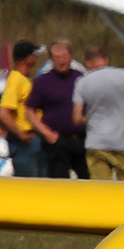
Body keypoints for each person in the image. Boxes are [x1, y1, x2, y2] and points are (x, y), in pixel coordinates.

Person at [73, 46, 124, 182]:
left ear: (88, 63)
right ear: (106, 60)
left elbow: (76, 118)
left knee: (101, 189)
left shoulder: (82, 83)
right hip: (122, 142)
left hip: (96, 143)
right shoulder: (123, 75)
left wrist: (92, 119)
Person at [27, 39, 88, 179]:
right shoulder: (43, 82)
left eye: (65, 57)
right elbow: (29, 111)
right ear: (51, 59)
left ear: (71, 57)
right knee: (59, 182)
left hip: (82, 140)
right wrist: (47, 133)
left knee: (88, 180)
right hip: (57, 141)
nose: (62, 61)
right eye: (57, 57)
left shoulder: (81, 79)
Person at [0, 40, 46, 177]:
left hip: (35, 139)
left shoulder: (25, 79)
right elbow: (4, 113)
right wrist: (22, 135)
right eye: (34, 55)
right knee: (31, 185)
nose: (36, 59)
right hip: (26, 143)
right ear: (28, 58)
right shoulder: (16, 80)